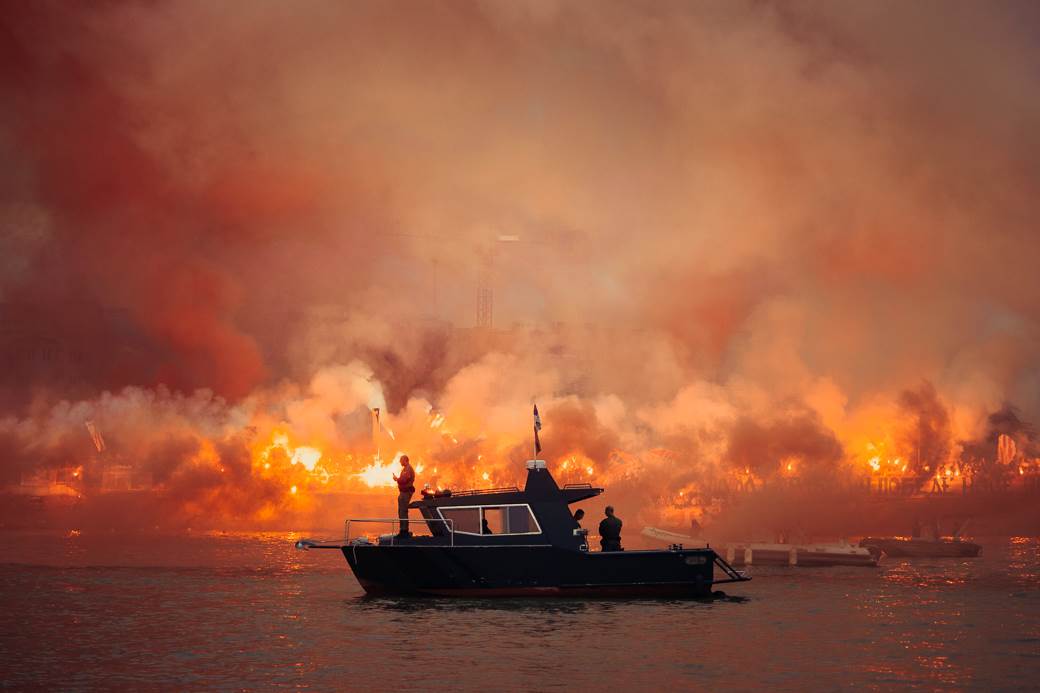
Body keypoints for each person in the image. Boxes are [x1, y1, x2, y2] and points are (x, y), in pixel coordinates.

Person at [392, 455, 416, 536]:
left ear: (405, 460)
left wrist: (397, 479)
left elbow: (404, 480)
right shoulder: (405, 469)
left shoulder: (408, 469)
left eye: (401, 460)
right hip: (403, 493)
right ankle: (402, 530)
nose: (400, 462)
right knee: (401, 511)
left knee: (403, 511)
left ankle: (404, 531)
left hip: (406, 493)